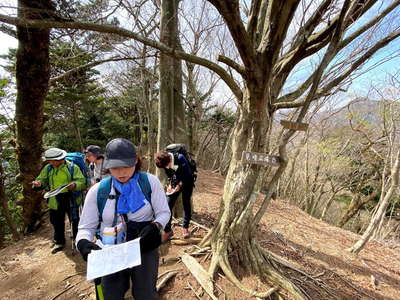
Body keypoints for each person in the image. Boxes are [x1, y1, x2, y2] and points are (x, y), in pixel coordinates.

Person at [76, 138, 170, 300]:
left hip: (143, 247)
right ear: (107, 165)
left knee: (145, 294)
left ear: (136, 161)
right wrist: (83, 244)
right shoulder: (98, 191)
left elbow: (163, 212)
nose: (122, 173)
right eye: (115, 168)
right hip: (110, 251)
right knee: (110, 295)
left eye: (127, 166)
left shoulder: (150, 182)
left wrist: (155, 226)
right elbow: (85, 227)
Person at [32, 148, 86, 253]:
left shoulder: (72, 167)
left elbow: (82, 181)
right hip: (54, 198)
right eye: (49, 161)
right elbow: (42, 179)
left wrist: (74, 185)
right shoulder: (48, 168)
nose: (50, 162)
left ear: (59, 159)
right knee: (56, 221)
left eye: (52, 161)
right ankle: (59, 241)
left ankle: (78, 240)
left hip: (70, 197)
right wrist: (39, 183)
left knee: (74, 220)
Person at [154, 149, 194, 239]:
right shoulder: (163, 162)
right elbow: (169, 174)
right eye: (165, 166)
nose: (167, 167)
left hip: (187, 181)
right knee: (168, 204)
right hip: (175, 181)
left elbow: (188, 173)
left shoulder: (180, 158)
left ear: (169, 159)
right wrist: (170, 185)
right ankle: (168, 231)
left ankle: (185, 228)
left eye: (167, 165)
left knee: (186, 203)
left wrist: (179, 185)